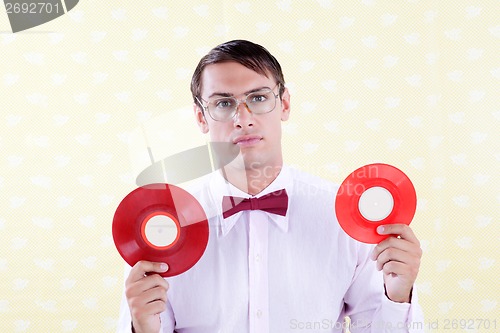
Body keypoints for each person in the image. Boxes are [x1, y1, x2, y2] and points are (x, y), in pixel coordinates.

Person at [117, 39, 424, 333]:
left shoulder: (344, 216)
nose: (243, 119)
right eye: (223, 103)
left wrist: (398, 296)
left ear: (285, 104)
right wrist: (141, 328)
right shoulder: (164, 226)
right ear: (201, 118)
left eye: (258, 98)